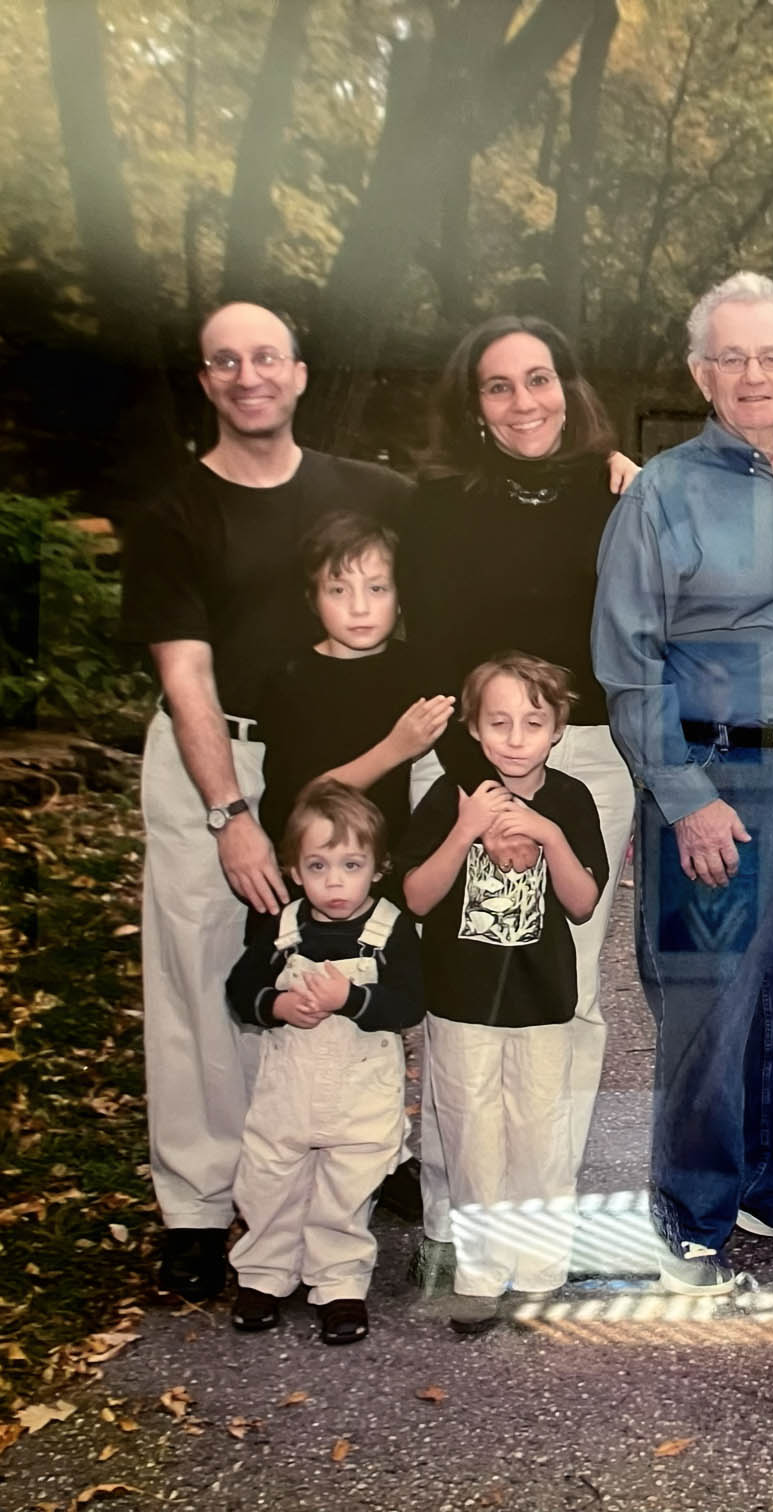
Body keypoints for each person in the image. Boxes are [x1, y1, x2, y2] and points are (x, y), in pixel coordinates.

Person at [119, 301, 412, 1300]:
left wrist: (610, 470)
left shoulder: (366, 490)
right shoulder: (172, 513)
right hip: (219, 759)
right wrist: (229, 814)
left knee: (347, 950)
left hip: (338, 760)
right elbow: (186, 678)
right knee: (203, 980)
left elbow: (481, 519)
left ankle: (353, 1154)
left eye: (266, 357)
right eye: (226, 361)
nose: (249, 376)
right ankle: (201, 1208)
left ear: (298, 371)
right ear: (207, 380)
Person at [592, 271, 773, 1295]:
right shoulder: (661, 494)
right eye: (732, 357)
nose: (753, 374)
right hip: (719, 775)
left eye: (771, 356)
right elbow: (629, 662)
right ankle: (690, 1208)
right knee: (708, 1006)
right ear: (700, 373)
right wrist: (683, 794)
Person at [398, 314, 639, 1275]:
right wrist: (483, 801)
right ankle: (455, 1223)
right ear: (475, 405)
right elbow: (426, 653)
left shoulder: (617, 494)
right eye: (499, 385)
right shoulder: (435, 504)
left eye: (540, 379)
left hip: (586, 763)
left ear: (569, 390)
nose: (523, 401)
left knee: (563, 990)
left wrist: (542, 808)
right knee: (463, 996)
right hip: (464, 760)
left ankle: (540, 1222)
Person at [396, 654, 609, 1333]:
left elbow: (583, 902)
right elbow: (416, 897)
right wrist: (466, 828)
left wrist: (548, 835)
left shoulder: (571, 799)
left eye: (533, 723)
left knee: (540, 1135)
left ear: (558, 729)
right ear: (474, 728)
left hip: (542, 1003)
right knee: (473, 1137)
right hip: (461, 1003)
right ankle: (480, 1274)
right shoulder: (451, 797)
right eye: (499, 722)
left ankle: (541, 1272)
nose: (516, 738)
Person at [224, 781, 423, 1345]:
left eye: (351, 865)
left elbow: (410, 1002)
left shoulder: (390, 930)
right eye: (318, 866)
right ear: (293, 870)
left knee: (346, 1192)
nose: (335, 881)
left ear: (378, 869)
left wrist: (352, 1000)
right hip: (288, 1092)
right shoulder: (282, 928)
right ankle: (264, 1274)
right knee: (269, 1180)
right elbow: (240, 988)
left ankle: (339, 1284)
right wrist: (277, 1005)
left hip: (361, 1096)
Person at [253, 512, 454, 854]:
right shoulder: (290, 681)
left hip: (388, 862)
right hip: (316, 864)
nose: (359, 607)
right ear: (312, 600)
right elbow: (297, 803)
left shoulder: (420, 669)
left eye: (377, 588)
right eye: (338, 590)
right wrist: (395, 749)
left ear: (401, 596)